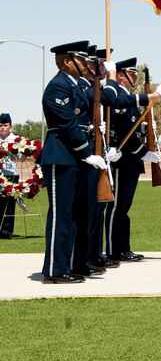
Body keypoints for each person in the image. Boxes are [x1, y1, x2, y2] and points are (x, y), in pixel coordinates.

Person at [39, 41, 109, 283]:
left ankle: (72, 265)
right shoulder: (58, 87)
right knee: (61, 216)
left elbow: (92, 108)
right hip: (61, 156)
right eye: (82, 60)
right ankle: (54, 271)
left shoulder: (76, 86)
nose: (87, 64)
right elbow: (67, 124)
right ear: (68, 62)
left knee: (78, 215)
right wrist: (87, 151)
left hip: (76, 158)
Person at [105, 57, 161, 262]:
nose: (135, 78)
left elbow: (134, 129)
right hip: (122, 160)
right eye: (132, 74)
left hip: (131, 162)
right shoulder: (118, 99)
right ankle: (114, 250)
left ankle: (123, 249)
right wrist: (143, 153)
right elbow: (124, 133)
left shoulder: (128, 98)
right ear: (120, 75)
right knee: (117, 208)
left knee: (124, 208)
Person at [0, 113, 18, 239]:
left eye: (5, 125)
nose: (3, 128)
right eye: (0, 125)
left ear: (10, 126)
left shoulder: (16, 140)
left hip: (11, 174)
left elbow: (21, 156)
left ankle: (7, 231)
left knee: (10, 204)